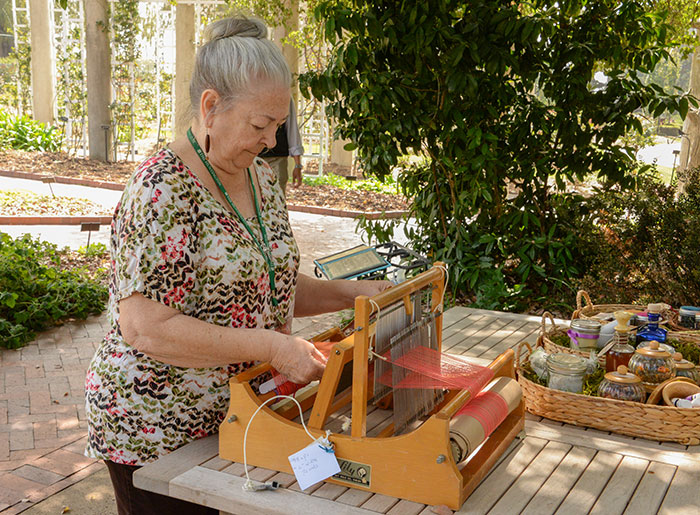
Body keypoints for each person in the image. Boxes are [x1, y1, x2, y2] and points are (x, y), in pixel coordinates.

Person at [84, 16, 390, 515]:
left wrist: (353, 296)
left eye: (278, 125)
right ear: (210, 107)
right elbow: (146, 329)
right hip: (156, 425)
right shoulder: (160, 192)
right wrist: (272, 345)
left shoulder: (261, 177)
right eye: (259, 125)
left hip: (240, 415)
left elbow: (271, 285)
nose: (270, 140)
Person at [259, 98, 304, 195]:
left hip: (277, 159)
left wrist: (298, 165)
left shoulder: (284, 94)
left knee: (277, 199)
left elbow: (291, 128)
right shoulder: (245, 89)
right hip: (250, 159)